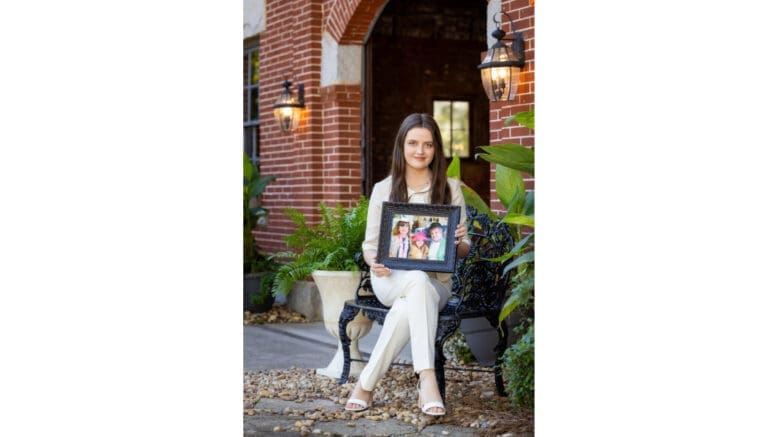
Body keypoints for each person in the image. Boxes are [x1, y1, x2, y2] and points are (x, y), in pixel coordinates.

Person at [344, 113, 471, 417]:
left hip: (436, 284)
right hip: (389, 279)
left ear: (436, 149)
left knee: (415, 291)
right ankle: (427, 378)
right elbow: (371, 246)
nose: (420, 150)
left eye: (428, 144)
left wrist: (457, 242)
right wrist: (374, 262)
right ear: (402, 146)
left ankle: (367, 382)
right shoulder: (383, 189)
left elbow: (464, 251)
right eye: (413, 143)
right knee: (413, 279)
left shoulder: (450, 188)